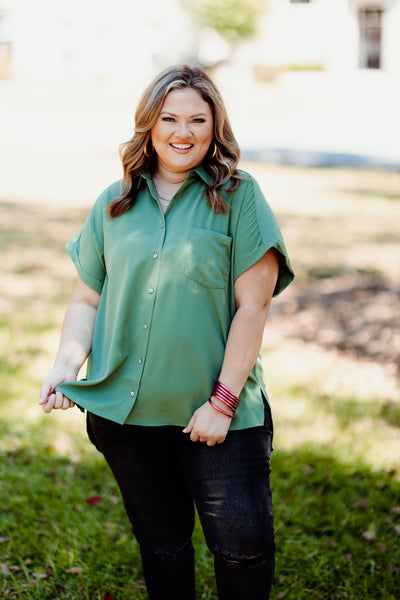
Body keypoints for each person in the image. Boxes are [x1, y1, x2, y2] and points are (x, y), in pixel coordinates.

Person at [39, 64, 294, 600]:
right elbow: (88, 297)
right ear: (149, 127)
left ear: (214, 125)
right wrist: (67, 364)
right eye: (169, 118)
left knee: (243, 550)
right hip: (128, 419)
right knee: (162, 546)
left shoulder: (240, 197)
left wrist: (222, 403)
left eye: (197, 120)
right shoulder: (115, 200)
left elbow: (255, 307)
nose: (184, 132)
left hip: (218, 416)